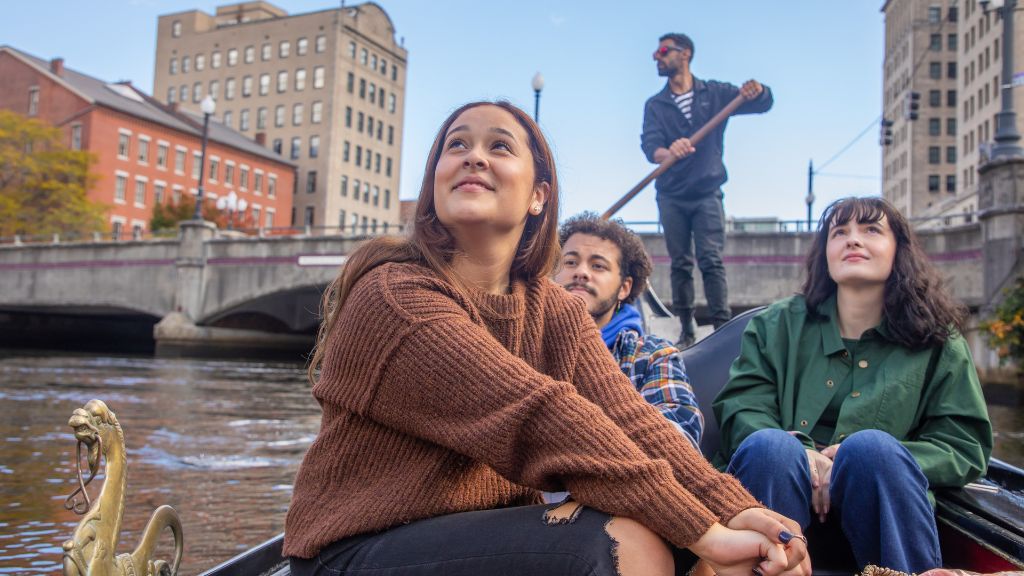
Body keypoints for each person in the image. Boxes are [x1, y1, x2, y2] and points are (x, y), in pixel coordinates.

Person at [284, 101, 810, 576]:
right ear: (434, 182)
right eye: (457, 144)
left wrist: (736, 509)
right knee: (631, 542)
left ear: (539, 196)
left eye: (499, 146)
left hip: (470, 537)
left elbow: (633, 421)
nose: (474, 157)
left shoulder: (551, 307)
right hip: (351, 551)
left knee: (671, 539)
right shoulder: (394, 295)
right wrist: (706, 532)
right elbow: (537, 416)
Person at [713, 196, 993, 573]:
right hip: (777, 492)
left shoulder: (939, 340)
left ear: (899, 250)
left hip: (883, 510)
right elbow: (743, 408)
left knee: (871, 450)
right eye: (839, 232)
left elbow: (962, 443)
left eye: (871, 230)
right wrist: (803, 453)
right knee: (772, 447)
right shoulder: (774, 326)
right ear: (825, 253)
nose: (853, 240)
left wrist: (854, 457)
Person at [642, 32, 773, 347]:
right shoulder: (656, 105)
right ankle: (686, 329)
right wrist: (668, 152)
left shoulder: (714, 94)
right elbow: (650, 147)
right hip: (671, 193)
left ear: (685, 53)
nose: (657, 58)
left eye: (663, 51)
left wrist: (758, 90)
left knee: (711, 258)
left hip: (707, 192)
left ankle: (723, 327)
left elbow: (763, 103)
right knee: (680, 262)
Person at [554, 212, 703, 448]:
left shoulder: (653, 355)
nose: (581, 272)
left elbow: (679, 435)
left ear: (624, 288)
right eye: (570, 262)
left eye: (598, 266)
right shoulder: (521, 345)